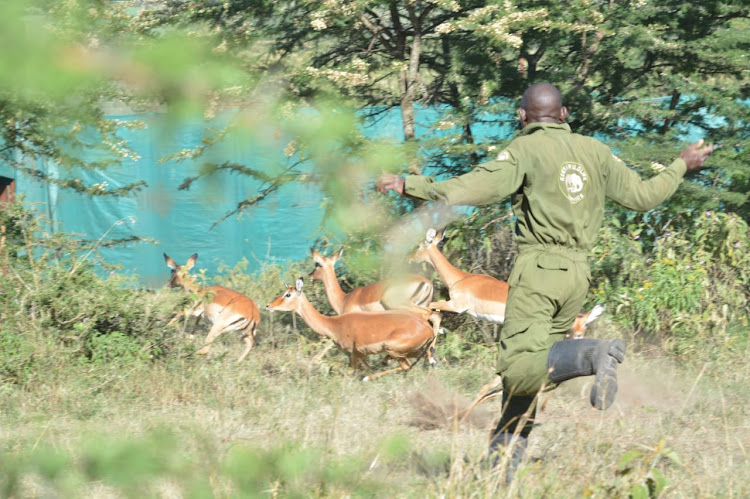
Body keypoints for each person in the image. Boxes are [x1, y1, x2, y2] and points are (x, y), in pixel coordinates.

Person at [375, 82, 713, 479]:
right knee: (529, 383)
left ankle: (593, 353)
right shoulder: (595, 151)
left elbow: (472, 188)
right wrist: (680, 165)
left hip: (539, 272)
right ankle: (500, 473)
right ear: (565, 114)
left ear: (522, 116)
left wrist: (408, 184)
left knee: (519, 367)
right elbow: (643, 196)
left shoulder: (523, 150)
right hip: (577, 276)